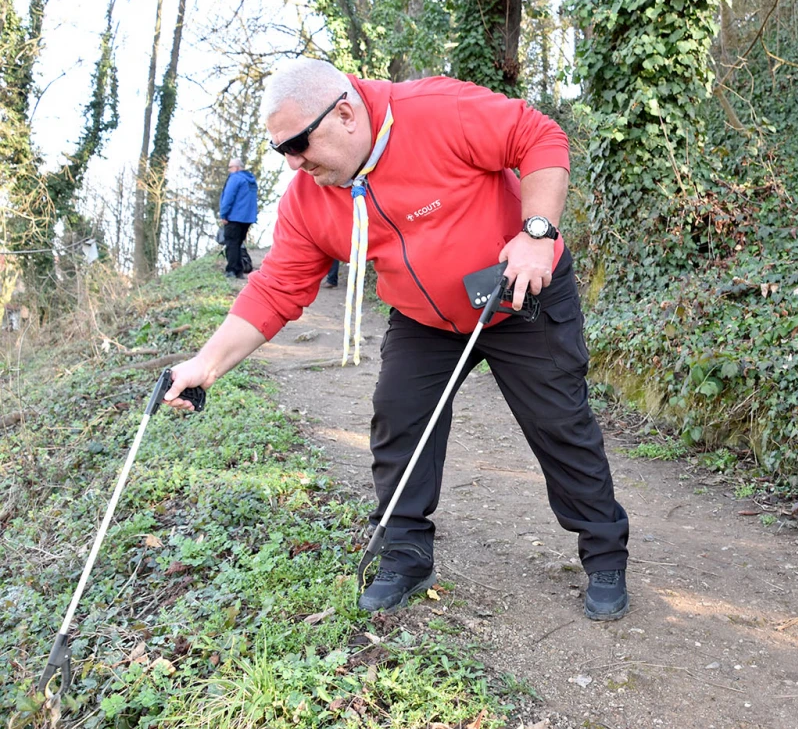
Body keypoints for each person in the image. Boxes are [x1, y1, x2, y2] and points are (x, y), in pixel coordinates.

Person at [164, 58, 631, 620]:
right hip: (425, 317)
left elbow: (539, 136)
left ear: (344, 114)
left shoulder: (436, 110)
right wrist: (206, 364)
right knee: (399, 416)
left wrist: (537, 233)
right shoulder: (309, 198)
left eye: (298, 144)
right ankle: (405, 553)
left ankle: (605, 554)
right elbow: (276, 289)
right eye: (279, 150)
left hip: (519, 289)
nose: (292, 163)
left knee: (559, 422)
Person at [218, 158, 259, 279]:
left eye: (230, 167)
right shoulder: (250, 180)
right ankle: (239, 270)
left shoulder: (235, 178)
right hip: (247, 218)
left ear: (236, 168)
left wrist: (223, 214)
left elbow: (228, 197)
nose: (229, 170)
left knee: (231, 243)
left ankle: (232, 270)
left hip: (234, 217)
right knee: (238, 243)